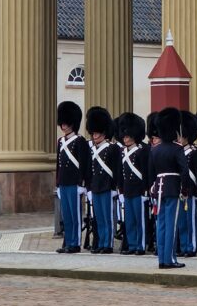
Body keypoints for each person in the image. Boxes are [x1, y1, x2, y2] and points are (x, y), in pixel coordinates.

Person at [149, 107, 188, 269]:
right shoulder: (177, 148)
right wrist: (185, 189)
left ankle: (161, 259)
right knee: (171, 225)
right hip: (172, 189)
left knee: (162, 225)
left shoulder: (155, 150)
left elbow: (151, 172)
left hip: (158, 190)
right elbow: (184, 171)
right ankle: (169, 260)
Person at [55, 101, 90, 254]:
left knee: (75, 215)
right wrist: (57, 183)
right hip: (64, 182)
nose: (64, 126)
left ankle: (75, 243)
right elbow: (59, 164)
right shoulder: (61, 142)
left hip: (74, 183)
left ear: (73, 123)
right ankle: (68, 241)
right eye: (62, 123)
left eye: (66, 123)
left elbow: (83, 164)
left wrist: (82, 183)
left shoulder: (80, 141)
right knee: (66, 215)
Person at [86, 106, 121, 254]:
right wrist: (88, 188)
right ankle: (100, 242)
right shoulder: (91, 149)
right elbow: (88, 171)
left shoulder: (112, 148)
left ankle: (108, 244)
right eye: (93, 132)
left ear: (104, 132)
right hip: (95, 186)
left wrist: (115, 188)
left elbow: (117, 170)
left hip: (107, 186)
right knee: (99, 218)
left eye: (97, 132)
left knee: (107, 218)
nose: (95, 135)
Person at [116, 112, 149, 256]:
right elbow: (120, 173)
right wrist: (121, 190)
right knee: (129, 221)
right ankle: (132, 244)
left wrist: (145, 191)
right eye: (124, 136)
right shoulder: (122, 152)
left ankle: (140, 246)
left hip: (139, 190)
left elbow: (146, 173)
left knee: (139, 220)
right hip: (127, 191)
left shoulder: (141, 151)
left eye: (128, 136)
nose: (125, 138)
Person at [177, 111, 197, 258]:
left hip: (190, 191)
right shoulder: (177, 151)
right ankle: (183, 245)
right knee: (181, 221)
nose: (179, 138)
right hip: (179, 191)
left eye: (181, 135)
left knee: (190, 220)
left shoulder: (194, 152)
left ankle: (191, 246)